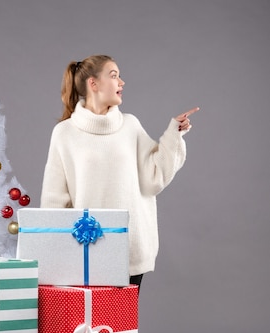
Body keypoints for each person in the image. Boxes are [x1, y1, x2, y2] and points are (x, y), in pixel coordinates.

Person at [40, 55, 199, 292]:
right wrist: (58, 253)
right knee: (88, 327)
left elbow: (154, 177)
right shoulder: (64, 133)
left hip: (130, 249)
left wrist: (173, 133)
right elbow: (54, 201)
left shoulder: (131, 126)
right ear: (93, 84)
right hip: (85, 250)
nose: (122, 82)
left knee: (122, 327)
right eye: (114, 76)